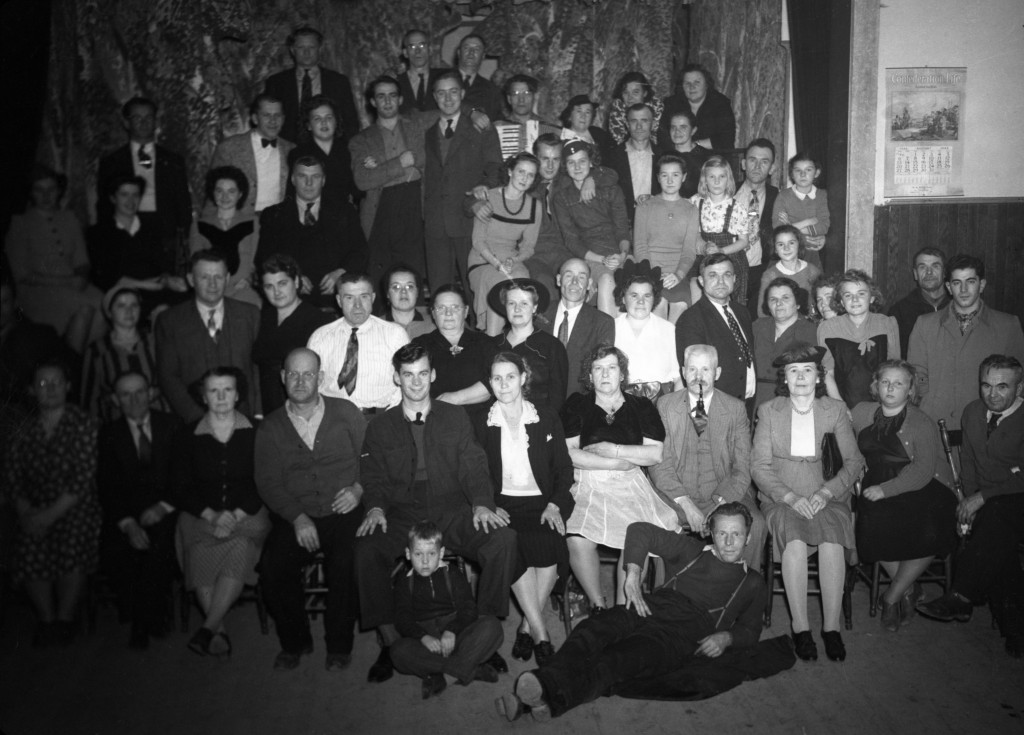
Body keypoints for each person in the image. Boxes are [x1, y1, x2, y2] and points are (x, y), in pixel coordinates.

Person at [497, 503, 765, 722]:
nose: (729, 542)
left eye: (737, 535)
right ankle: (542, 695)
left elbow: (751, 631)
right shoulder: (691, 550)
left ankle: (540, 695)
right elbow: (639, 530)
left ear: (748, 537)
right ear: (711, 534)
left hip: (680, 635)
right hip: (649, 605)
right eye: (722, 534)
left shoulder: (752, 582)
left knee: (617, 660)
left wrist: (726, 638)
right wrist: (633, 575)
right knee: (593, 629)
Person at [355, 343, 517, 683]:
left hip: (450, 507)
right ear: (397, 378)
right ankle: (391, 642)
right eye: (408, 375)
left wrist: (482, 503)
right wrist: (374, 508)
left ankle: (481, 636)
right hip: (401, 510)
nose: (416, 383)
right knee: (367, 548)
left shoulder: (453, 416)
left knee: (502, 539)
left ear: (433, 375)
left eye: (423, 374)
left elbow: (473, 464)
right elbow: (373, 477)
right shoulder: (380, 426)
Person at [255, 348, 367, 671]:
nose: (301, 381)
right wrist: (297, 517)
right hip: (297, 515)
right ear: (282, 378)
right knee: (273, 566)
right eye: (293, 374)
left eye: (308, 374)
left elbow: (371, 461)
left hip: (344, 512)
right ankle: (295, 641)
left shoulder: (346, 413)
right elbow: (267, 482)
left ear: (320, 378)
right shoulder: (271, 427)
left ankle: (339, 645)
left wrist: (359, 490)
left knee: (347, 562)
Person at [751, 344, 865, 662]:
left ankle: (831, 629)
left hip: (826, 494)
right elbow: (759, 466)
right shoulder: (769, 411)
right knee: (795, 543)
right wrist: (788, 497)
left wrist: (826, 494)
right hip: (782, 496)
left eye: (807, 370)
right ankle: (801, 628)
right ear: (784, 379)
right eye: (793, 371)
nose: (801, 377)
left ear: (818, 377)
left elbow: (854, 462)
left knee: (831, 541)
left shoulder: (835, 410)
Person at [916, 355, 1024, 658]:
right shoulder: (973, 412)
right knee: (996, 533)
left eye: (1003, 387)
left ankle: (961, 594)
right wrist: (967, 501)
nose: (993, 394)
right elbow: (970, 463)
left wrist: (982, 497)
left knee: (997, 515)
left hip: (1017, 500)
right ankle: (1014, 629)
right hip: (992, 508)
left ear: (1019, 387)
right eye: (986, 386)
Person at [561, 345, 679, 610]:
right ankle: (600, 607)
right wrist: (616, 462)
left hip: (630, 485)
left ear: (622, 374)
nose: (605, 374)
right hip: (588, 483)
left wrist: (613, 448)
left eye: (611, 368)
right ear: (589, 376)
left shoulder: (641, 406)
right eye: (598, 368)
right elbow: (569, 455)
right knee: (577, 540)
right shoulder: (577, 405)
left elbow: (655, 454)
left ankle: (623, 611)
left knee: (635, 540)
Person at [474, 351, 574, 664]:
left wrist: (555, 503)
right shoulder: (480, 422)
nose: (504, 384)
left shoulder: (545, 416)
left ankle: (526, 627)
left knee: (549, 544)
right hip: (503, 505)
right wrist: (488, 505)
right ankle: (540, 632)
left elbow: (564, 468)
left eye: (511, 376)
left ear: (523, 378)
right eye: (497, 378)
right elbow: (474, 473)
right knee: (510, 545)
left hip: (543, 502)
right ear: (490, 383)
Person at [850, 360, 957, 632]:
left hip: (925, 485)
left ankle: (891, 597)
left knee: (930, 526)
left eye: (899, 383)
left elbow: (923, 470)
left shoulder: (921, 421)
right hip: (878, 479)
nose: (890, 388)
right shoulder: (863, 411)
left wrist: (886, 490)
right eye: (885, 382)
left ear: (910, 390)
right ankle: (909, 588)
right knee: (871, 524)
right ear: (876, 385)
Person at [173, 367, 270, 657]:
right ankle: (217, 631)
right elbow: (180, 485)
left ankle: (208, 627)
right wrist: (212, 515)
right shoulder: (187, 435)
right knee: (199, 547)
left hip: (249, 513)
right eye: (214, 391)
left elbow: (263, 480)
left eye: (227, 389)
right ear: (204, 397)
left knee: (240, 542)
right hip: (201, 514)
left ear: (237, 394)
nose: (221, 396)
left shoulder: (256, 431)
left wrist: (235, 515)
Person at [4, 359, 101, 647]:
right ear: (32, 390)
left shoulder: (84, 423)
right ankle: (46, 620)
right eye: (43, 384)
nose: (51, 389)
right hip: (35, 505)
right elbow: (12, 475)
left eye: (57, 382)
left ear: (68, 386)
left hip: (75, 504)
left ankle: (65, 618)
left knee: (71, 541)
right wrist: (26, 512)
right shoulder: (22, 428)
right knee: (29, 544)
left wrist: (49, 516)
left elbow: (84, 477)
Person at [651, 344, 766, 568]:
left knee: (757, 523)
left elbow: (742, 467)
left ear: (717, 373)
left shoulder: (735, 409)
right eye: (692, 370)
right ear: (683, 372)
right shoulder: (665, 405)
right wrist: (685, 504)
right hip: (676, 497)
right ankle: (665, 596)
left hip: (724, 493)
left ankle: (743, 592)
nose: (698, 376)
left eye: (706, 370)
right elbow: (659, 464)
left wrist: (721, 504)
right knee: (654, 522)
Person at [97, 371, 180, 649]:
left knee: (160, 546)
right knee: (120, 551)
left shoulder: (171, 426)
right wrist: (128, 523)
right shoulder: (108, 435)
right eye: (125, 394)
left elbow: (183, 478)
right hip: (128, 514)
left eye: (140, 392)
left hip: (168, 509)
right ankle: (145, 615)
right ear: (115, 400)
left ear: (152, 393)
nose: (134, 399)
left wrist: (162, 506)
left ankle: (144, 622)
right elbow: (107, 487)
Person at [908, 254, 1024, 429]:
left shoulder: (1007, 325)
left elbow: (1017, 380)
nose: (963, 290)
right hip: (935, 422)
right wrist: (930, 401)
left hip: (987, 423)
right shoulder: (925, 324)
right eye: (956, 283)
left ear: (981, 284)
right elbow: (916, 373)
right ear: (948, 287)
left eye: (970, 281)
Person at [391, 521, 504, 698]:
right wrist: (423, 637)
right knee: (398, 652)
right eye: (418, 554)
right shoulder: (404, 583)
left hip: (456, 635)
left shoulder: (452, 574)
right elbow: (402, 618)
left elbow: (468, 609)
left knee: (492, 626)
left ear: (441, 553)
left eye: (431, 554)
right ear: (408, 554)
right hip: (428, 643)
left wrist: (452, 630)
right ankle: (469, 669)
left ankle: (446, 677)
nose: (425, 561)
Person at [5, 165, 104, 350]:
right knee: (83, 308)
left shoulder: (69, 219)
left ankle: (86, 365)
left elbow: (82, 261)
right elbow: (21, 275)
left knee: (105, 304)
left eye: (51, 189)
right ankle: (69, 365)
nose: (46, 195)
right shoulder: (20, 224)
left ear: (59, 191)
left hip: (71, 286)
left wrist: (82, 277)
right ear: (31, 193)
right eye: (39, 190)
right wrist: (67, 282)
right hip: (36, 291)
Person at [154, 251, 260, 422]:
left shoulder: (250, 315)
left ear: (227, 279)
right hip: (193, 423)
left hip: (244, 420)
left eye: (218, 277)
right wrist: (197, 419)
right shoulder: (170, 321)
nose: (212, 284)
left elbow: (257, 369)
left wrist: (257, 413)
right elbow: (168, 377)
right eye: (204, 277)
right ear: (190, 279)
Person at [423, 70, 502, 294]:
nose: (448, 99)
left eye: (453, 92)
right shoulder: (425, 127)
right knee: (439, 291)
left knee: (475, 289)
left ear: (463, 93)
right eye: (441, 93)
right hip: (435, 223)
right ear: (434, 96)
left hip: (470, 218)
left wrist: (487, 186)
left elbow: (495, 165)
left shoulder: (480, 126)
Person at [255, 155, 367, 310]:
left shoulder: (344, 212)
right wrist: (290, 276)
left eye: (315, 177)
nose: (309, 183)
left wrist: (341, 274)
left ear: (323, 180)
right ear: (293, 179)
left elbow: (361, 251)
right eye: (302, 176)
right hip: (289, 302)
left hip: (334, 303)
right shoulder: (274, 215)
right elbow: (264, 257)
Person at [349, 75, 428, 286]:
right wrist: (399, 163)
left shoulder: (417, 126)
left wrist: (474, 113)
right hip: (381, 208)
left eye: (392, 96)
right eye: (381, 96)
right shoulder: (361, 140)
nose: (387, 101)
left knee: (412, 273)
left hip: (413, 204)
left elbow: (449, 109)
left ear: (400, 99)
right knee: (380, 277)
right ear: (373, 102)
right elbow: (363, 181)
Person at [95, 97, 193, 262]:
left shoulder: (174, 161)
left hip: (164, 232)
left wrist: (182, 238)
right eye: (137, 118)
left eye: (149, 117)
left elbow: (183, 203)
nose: (143, 122)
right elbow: (104, 204)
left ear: (155, 122)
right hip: (126, 229)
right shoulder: (111, 162)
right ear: (126, 123)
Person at [306, 272, 409, 413]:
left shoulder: (395, 335)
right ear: (339, 300)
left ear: (372, 298)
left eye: (364, 297)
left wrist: (389, 417)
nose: (357, 305)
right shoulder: (320, 337)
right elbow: (311, 384)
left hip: (380, 418)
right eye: (349, 298)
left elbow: (407, 381)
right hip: (334, 420)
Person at [87, 175, 188, 317]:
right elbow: (106, 277)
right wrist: (144, 285)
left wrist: (167, 279)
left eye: (135, 195)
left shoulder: (151, 229)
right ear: (113, 198)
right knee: (160, 310)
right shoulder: (99, 233)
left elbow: (162, 265)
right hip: (121, 292)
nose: (131, 201)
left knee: (188, 299)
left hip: (155, 288)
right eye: (124, 195)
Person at [550, 140, 630, 316]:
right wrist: (601, 260)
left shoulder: (611, 189)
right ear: (566, 166)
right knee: (607, 279)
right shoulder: (561, 198)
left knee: (637, 281)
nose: (577, 167)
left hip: (618, 252)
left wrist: (622, 255)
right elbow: (571, 241)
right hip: (591, 256)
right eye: (571, 162)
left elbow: (622, 228)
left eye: (582, 161)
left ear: (591, 163)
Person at [469, 152, 542, 334]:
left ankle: (518, 341)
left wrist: (514, 260)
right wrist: (497, 264)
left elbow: (528, 247)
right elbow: (478, 241)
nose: (525, 178)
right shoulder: (489, 197)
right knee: (501, 287)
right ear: (510, 171)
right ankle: (493, 339)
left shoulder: (535, 206)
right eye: (521, 172)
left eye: (530, 175)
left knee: (524, 289)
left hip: (511, 261)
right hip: (483, 260)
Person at [252, 254, 333, 416]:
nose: (276, 291)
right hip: (269, 410)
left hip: (304, 410)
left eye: (282, 283)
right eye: (269, 286)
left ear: (296, 282)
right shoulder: (261, 317)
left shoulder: (319, 321)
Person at [675, 253, 756, 406]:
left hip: (746, 405)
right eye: (712, 275)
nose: (721, 281)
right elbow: (694, 377)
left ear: (734, 279)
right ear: (701, 281)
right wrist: (701, 420)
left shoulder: (742, 312)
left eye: (727, 274)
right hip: (714, 409)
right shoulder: (691, 319)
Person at [80, 286, 169, 422]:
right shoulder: (98, 350)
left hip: (159, 417)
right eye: (121, 306)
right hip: (117, 423)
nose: (129, 311)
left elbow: (171, 380)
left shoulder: (154, 342)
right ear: (109, 312)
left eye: (134, 305)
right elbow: (89, 398)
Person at [818, 269, 900, 408]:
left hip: (881, 404)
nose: (854, 300)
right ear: (842, 302)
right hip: (842, 401)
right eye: (848, 295)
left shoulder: (887, 323)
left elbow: (895, 370)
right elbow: (828, 373)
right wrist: (841, 408)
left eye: (861, 294)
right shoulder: (827, 328)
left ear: (872, 297)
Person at [262, 26, 359, 143]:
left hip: (329, 150)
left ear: (320, 49)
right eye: (301, 47)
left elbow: (351, 122)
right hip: (288, 151)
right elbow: (267, 121)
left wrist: (340, 149)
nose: (306, 52)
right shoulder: (276, 83)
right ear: (292, 50)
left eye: (311, 47)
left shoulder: (339, 81)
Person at [632, 153, 700, 318]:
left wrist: (678, 275)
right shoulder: (644, 207)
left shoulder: (691, 210)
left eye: (675, 175)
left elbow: (689, 251)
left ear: (683, 177)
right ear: (658, 178)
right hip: (649, 273)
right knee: (658, 305)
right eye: (664, 175)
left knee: (680, 306)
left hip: (677, 274)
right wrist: (652, 274)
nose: (670, 180)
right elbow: (640, 247)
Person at [411, 284, 495, 415]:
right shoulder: (420, 344)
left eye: (455, 308)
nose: (448, 313)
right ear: (433, 313)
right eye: (441, 308)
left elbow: (496, 381)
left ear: (466, 311)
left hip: (484, 421)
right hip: (437, 420)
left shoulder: (485, 343)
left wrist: (454, 398)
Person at [539, 258, 614, 398]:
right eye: (568, 275)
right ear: (558, 280)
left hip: (579, 406)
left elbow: (601, 373)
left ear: (589, 284)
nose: (574, 282)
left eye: (581, 277)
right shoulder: (538, 315)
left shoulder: (603, 323)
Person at [491, 279, 568, 414]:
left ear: (534, 308)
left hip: (538, 424)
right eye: (511, 303)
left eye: (524, 303)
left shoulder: (552, 347)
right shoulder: (491, 345)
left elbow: (557, 399)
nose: (517, 309)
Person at [209, 94, 295, 214]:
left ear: (284, 119)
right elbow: (212, 192)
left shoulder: (292, 150)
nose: (273, 121)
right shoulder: (229, 148)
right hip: (239, 221)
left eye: (277, 115)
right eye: (266, 115)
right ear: (255, 118)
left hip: (278, 222)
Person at [188, 166, 261, 307]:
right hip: (210, 290)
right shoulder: (199, 225)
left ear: (240, 194)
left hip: (243, 288)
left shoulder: (253, 222)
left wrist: (248, 279)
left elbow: (256, 259)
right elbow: (197, 264)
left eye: (231, 191)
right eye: (219, 191)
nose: (225, 197)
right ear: (213, 193)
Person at [520, 135, 575, 299]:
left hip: (565, 252)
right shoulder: (523, 184)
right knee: (544, 283)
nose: (551, 166)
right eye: (545, 159)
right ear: (535, 158)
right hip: (534, 255)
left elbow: (605, 174)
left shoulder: (569, 182)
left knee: (575, 277)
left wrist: (591, 181)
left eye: (556, 159)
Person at [613, 267, 682, 396]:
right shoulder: (611, 328)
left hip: (661, 403)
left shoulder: (668, 330)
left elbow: (678, 378)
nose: (641, 301)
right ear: (623, 299)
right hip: (621, 403)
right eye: (634, 295)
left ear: (654, 299)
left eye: (647, 296)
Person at [690, 156, 749, 305]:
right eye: (712, 177)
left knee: (734, 299)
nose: (716, 181)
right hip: (704, 253)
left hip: (730, 255)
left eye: (721, 177)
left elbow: (743, 241)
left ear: (728, 179)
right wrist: (704, 247)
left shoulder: (737, 207)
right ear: (704, 180)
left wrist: (721, 251)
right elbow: (695, 233)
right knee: (699, 292)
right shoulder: (696, 202)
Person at [752, 277, 818, 407]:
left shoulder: (810, 331)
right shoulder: (757, 326)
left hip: (792, 398)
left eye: (785, 298)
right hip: (755, 397)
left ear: (797, 303)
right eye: (773, 299)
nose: (779, 303)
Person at [287, 94, 360, 207]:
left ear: (336, 122)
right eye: (317, 119)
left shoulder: (349, 150)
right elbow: (292, 195)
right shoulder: (298, 154)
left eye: (329, 117)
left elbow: (357, 190)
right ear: (308, 125)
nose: (324, 122)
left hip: (344, 216)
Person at [735, 138, 780, 305]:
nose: (757, 166)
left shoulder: (780, 198)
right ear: (744, 164)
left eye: (764, 161)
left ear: (772, 168)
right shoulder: (727, 193)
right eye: (753, 160)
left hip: (763, 272)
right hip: (731, 268)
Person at [887, 247, 950, 358]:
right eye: (922, 267)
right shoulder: (899, 312)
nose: (929, 272)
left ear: (944, 272)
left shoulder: (959, 307)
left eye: (935, 266)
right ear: (915, 274)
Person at [605, 103, 661, 225]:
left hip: (657, 222)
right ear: (627, 124)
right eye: (634, 121)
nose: (639, 126)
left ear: (654, 124)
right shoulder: (612, 157)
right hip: (623, 225)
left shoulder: (663, 156)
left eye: (644, 120)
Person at [772, 152, 829, 269]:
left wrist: (791, 226)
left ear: (816, 173)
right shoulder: (783, 196)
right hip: (787, 252)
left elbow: (824, 225)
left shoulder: (822, 195)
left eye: (808, 170)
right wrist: (808, 222)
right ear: (792, 174)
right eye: (798, 170)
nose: (803, 174)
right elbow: (778, 228)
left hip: (813, 253)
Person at [662, 64, 737, 151]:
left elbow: (726, 140)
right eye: (687, 83)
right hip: (679, 155)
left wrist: (693, 145)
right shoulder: (672, 104)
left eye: (697, 82)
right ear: (682, 87)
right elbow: (663, 138)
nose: (692, 87)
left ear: (706, 85)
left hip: (713, 156)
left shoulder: (720, 103)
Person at [754, 225, 821, 318]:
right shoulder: (770, 275)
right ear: (775, 249)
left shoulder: (812, 271)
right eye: (781, 244)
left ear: (799, 244)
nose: (786, 248)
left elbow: (820, 302)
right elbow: (762, 312)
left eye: (791, 243)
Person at [495, 75, 559, 157]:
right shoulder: (497, 128)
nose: (521, 99)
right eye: (516, 93)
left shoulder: (547, 128)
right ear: (509, 99)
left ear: (535, 96)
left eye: (526, 93)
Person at [454, 34, 503, 124]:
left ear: (483, 55)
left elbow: (497, 120)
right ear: (458, 53)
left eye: (476, 49)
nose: (471, 52)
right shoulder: (441, 80)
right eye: (466, 48)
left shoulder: (491, 89)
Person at [604, 72, 664, 146]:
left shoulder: (658, 110)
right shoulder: (617, 112)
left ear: (645, 93)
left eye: (635, 92)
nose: (630, 97)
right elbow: (616, 144)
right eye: (626, 92)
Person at [663, 110, 711, 200]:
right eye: (673, 127)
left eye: (683, 127)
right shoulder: (664, 156)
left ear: (693, 130)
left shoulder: (706, 157)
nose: (677, 131)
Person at [381, 264, 434, 339]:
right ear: (388, 294)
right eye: (396, 287)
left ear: (417, 292)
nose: (403, 291)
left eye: (409, 286)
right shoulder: (376, 327)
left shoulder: (434, 325)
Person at [396, 29, 442, 114]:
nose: (418, 51)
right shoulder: (397, 82)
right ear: (405, 53)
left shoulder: (443, 78)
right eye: (412, 47)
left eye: (422, 45)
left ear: (430, 49)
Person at [558, 95, 613, 164]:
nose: (583, 116)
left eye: (587, 112)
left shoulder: (600, 135)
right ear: (569, 116)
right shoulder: (560, 139)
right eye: (579, 111)